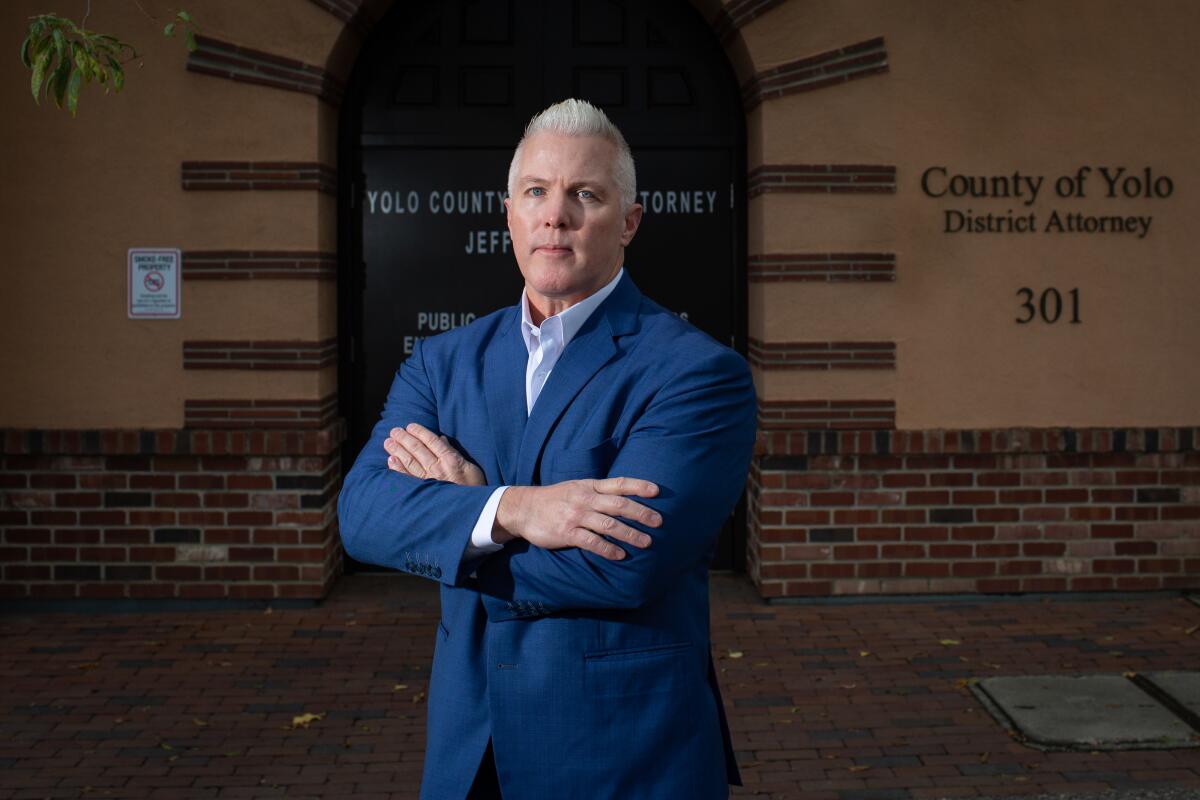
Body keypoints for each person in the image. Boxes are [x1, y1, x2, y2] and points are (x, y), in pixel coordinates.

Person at [338, 98, 756, 799]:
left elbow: (623, 566)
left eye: (583, 194)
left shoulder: (695, 373)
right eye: (535, 191)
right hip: (469, 752)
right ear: (509, 213)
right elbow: (362, 516)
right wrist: (509, 509)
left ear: (629, 221)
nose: (554, 214)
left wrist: (454, 525)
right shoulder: (442, 364)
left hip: (624, 755)